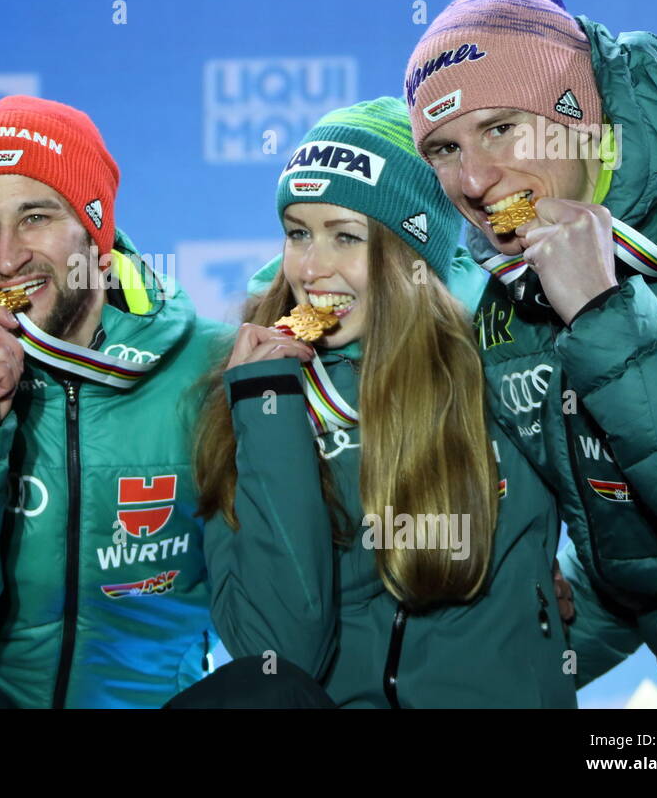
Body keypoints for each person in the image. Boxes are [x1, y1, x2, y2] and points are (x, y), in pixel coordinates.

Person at [404, 0, 657, 706]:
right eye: (444, 148)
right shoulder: (506, 302)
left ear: (577, 113)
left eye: (501, 127)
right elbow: (640, 568)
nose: (474, 180)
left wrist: (602, 310)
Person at [177, 98, 576, 708]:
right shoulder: (252, 392)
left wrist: (546, 646)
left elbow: (636, 556)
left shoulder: (502, 361)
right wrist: (268, 411)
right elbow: (277, 661)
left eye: (346, 236)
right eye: (298, 234)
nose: (312, 269)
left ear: (409, 254)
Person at [0, 95, 228, 708]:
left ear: (95, 229)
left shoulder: (208, 364)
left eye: (36, 217)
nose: (6, 258)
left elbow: (277, 630)